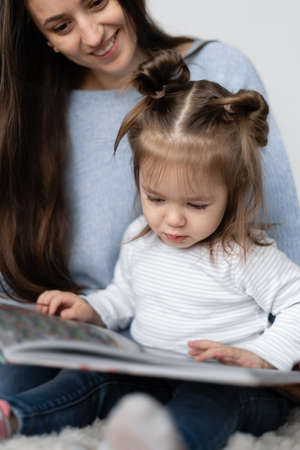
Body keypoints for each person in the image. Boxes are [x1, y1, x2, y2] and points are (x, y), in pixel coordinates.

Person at [0, 0, 299, 440]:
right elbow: (124, 295)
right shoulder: (140, 239)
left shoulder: (245, 252)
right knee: (86, 385)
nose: (172, 220)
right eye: (62, 25)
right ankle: (15, 416)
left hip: (229, 381)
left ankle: (168, 441)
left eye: (96, 2)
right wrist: (92, 310)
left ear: (232, 193)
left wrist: (262, 355)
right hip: (141, 366)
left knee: (210, 403)